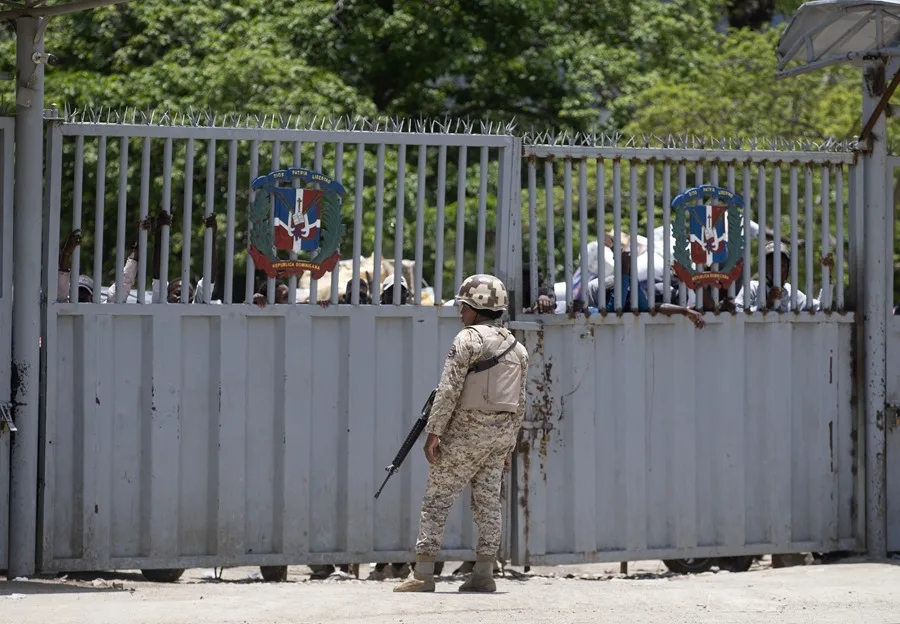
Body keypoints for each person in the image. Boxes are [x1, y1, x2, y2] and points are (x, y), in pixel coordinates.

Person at [394, 274, 529, 593]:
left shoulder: (468, 340)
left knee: (437, 500)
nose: (460, 312)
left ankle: (423, 574)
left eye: (464, 306)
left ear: (478, 308)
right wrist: (508, 444)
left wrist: (434, 432)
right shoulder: (518, 348)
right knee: (488, 503)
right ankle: (484, 573)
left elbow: (449, 389)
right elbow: (520, 403)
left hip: (465, 434)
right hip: (499, 438)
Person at [734, 241, 817, 312]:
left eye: (783, 265)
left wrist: (828, 275)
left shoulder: (791, 293)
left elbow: (820, 308)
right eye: (771, 264)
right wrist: (767, 304)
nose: (777, 269)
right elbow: (736, 313)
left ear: (788, 269)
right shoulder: (752, 288)